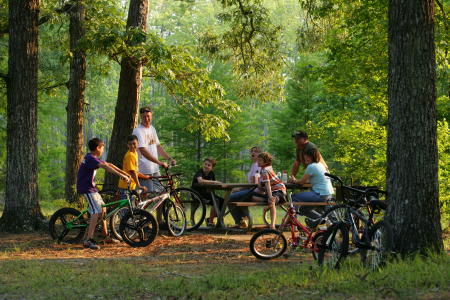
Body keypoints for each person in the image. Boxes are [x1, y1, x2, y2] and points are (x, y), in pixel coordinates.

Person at [77, 138, 131, 250]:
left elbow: (109, 164)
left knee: (103, 209)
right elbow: (106, 167)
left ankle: (105, 236)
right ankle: (88, 240)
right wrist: (123, 176)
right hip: (86, 189)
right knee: (96, 211)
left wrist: (124, 173)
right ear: (98, 148)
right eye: (102, 148)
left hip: (91, 188)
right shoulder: (91, 158)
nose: (103, 150)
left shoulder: (93, 158)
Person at [132, 106, 176, 225]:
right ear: (141, 117)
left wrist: (168, 158)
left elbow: (158, 147)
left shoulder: (152, 129)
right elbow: (143, 150)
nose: (146, 118)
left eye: (148, 116)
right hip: (143, 169)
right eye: (144, 116)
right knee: (144, 197)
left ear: (152, 115)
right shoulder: (138, 131)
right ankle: (140, 221)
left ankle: (159, 221)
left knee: (161, 194)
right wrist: (160, 162)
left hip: (154, 170)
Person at [289, 147, 334, 227]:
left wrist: (294, 180)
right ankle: (323, 219)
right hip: (328, 194)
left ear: (311, 156)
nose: (305, 158)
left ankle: (293, 223)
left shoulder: (311, 166)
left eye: (306, 156)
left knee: (293, 198)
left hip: (320, 194)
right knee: (304, 209)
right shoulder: (320, 165)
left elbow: (301, 182)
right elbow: (312, 180)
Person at [229, 146, 262, 228]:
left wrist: (240, 188)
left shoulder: (258, 165)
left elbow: (255, 184)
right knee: (231, 196)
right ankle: (242, 222)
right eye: (252, 151)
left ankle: (240, 222)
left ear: (260, 154)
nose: (253, 153)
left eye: (255, 151)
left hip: (256, 192)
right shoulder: (254, 165)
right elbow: (251, 183)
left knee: (229, 198)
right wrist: (239, 189)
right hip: (251, 190)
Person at [252, 152, 286, 229]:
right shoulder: (267, 168)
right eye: (258, 160)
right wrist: (261, 184)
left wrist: (270, 196)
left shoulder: (264, 170)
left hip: (279, 190)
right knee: (253, 197)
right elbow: (267, 182)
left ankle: (272, 225)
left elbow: (268, 184)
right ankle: (268, 207)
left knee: (271, 201)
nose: (258, 162)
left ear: (266, 162)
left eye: (260, 160)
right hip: (274, 190)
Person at [191, 158, 223, 227]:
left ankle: (211, 219)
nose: (206, 166)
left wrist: (217, 184)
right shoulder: (199, 172)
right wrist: (215, 182)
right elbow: (200, 181)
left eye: (209, 165)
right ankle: (210, 222)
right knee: (216, 201)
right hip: (197, 194)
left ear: (212, 168)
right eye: (205, 164)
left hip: (206, 194)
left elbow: (213, 186)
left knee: (223, 201)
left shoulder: (211, 173)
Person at [117, 135, 149, 200]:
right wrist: (139, 185)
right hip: (126, 186)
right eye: (130, 144)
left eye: (134, 144)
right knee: (127, 209)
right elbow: (132, 172)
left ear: (138, 143)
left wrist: (145, 177)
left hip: (131, 186)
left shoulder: (135, 153)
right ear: (127, 145)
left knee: (133, 206)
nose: (132, 146)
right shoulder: (130, 155)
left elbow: (135, 171)